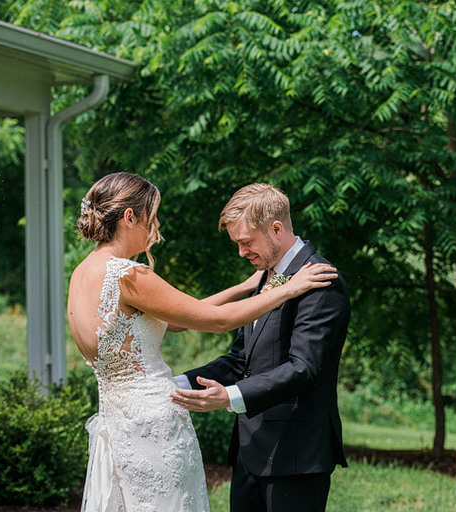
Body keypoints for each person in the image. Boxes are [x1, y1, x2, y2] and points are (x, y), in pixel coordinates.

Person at [67, 172, 337, 512]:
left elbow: (177, 319)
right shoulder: (129, 274)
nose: (156, 228)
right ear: (130, 217)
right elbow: (215, 321)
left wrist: (246, 287)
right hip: (155, 424)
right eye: (152, 217)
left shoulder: (82, 274)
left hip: (120, 421)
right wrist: (288, 288)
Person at [171, 183, 351, 512]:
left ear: (276, 229)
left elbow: (304, 368)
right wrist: (175, 385)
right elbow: (241, 359)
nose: (241, 252)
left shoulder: (321, 281)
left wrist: (229, 396)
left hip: (296, 457)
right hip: (250, 452)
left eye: (246, 242)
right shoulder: (266, 278)